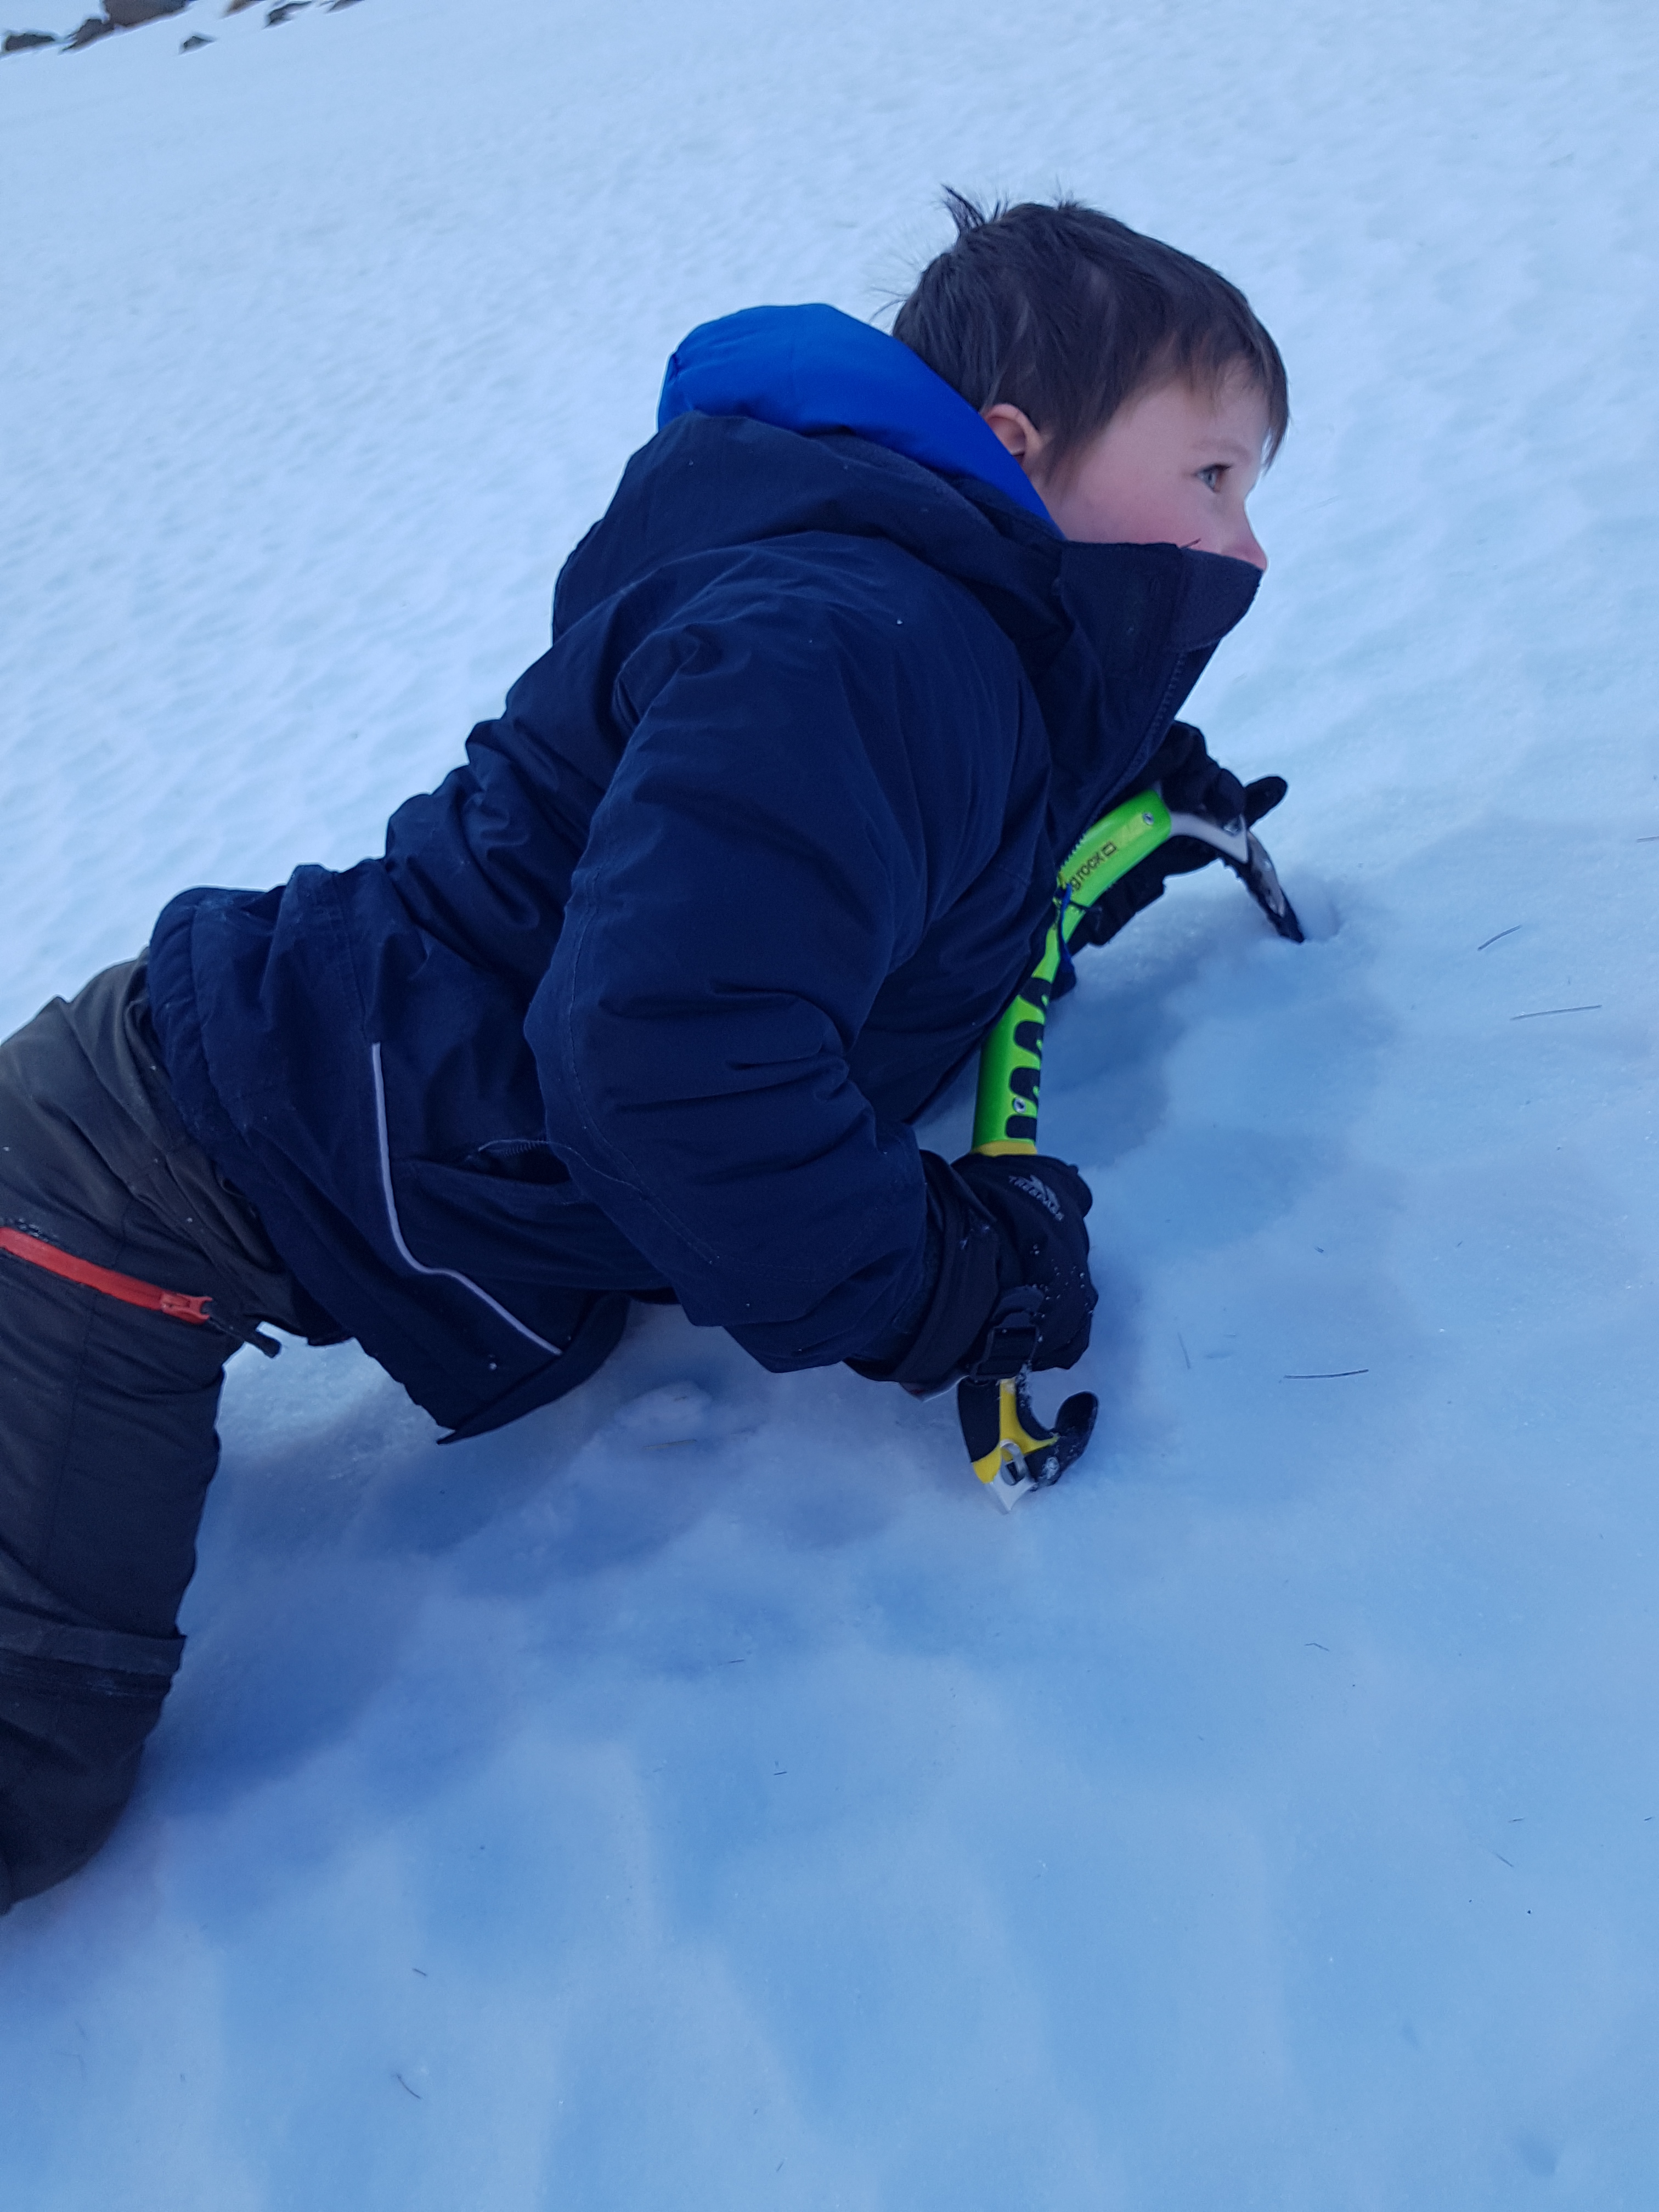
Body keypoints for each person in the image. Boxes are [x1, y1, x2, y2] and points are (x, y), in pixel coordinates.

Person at [0, 193, 1290, 1910]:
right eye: (1213, 475)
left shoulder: (935, 644)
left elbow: (838, 883)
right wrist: (948, 1281)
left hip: (235, 1116)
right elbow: (668, 1057)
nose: (1247, 545)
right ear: (1013, 446)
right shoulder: (862, 643)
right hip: (124, 1183)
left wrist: (1089, 822)